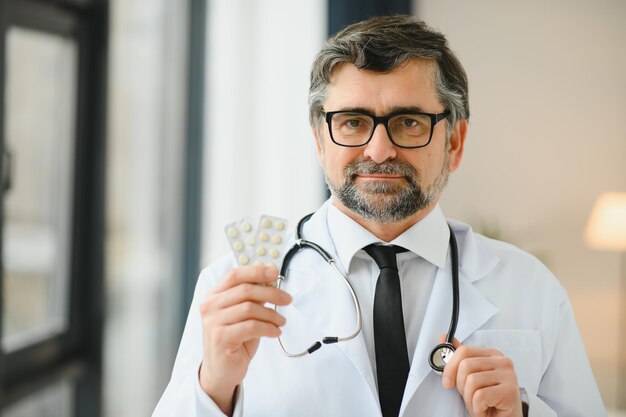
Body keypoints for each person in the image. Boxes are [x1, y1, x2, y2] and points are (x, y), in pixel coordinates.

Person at [152, 15, 606, 417]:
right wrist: (213, 383)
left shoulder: (530, 286)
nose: (379, 150)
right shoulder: (231, 288)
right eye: (352, 122)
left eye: (409, 122)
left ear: (454, 142)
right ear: (319, 140)